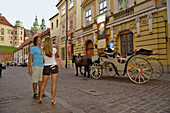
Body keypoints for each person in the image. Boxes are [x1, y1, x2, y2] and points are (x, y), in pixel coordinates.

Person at [38, 37, 59, 105]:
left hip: (46, 66)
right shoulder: (54, 49)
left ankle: (40, 98)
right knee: (53, 84)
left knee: (43, 83)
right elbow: (57, 56)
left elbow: (43, 59)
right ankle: (52, 100)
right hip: (53, 66)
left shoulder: (42, 50)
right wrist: (56, 48)